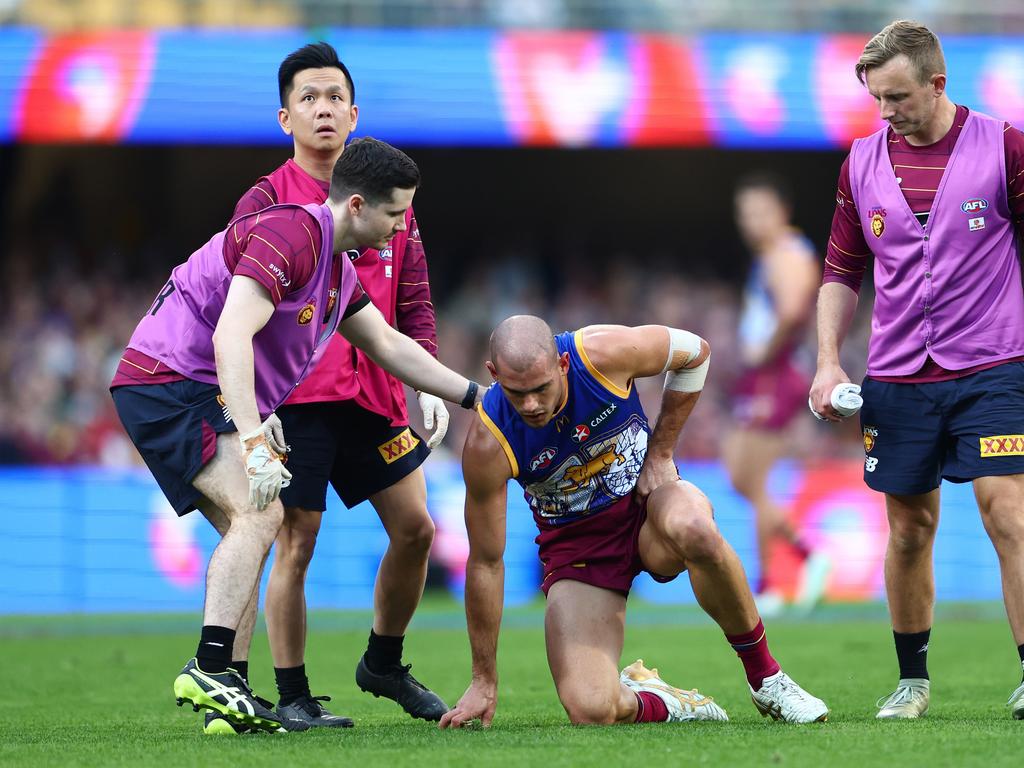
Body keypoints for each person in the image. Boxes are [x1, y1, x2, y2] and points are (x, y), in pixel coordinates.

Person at [110, 137, 483, 733]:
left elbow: (387, 344)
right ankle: (211, 669)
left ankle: (230, 700)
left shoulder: (334, 266)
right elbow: (230, 335)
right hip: (168, 381)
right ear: (358, 205)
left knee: (251, 526)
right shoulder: (292, 236)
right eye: (395, 213)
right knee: (261, 515)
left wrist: (473, 396)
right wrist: (255, 441)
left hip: (181, 385)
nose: (401, 227)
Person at [213, 41, 449, 732]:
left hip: (373, 395)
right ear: (285, 117)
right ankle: (291, 693)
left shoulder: (388, 197)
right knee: (298, 540)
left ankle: (382, 660)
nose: (323, 109)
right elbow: (235, 311)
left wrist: (429, 378)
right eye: (308, 98)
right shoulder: (263, 201)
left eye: (334, 97)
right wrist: (243, 409)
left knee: (417, 530)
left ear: (354, 113)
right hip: (297, 402)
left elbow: (414, 296)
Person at [440, 316, 828, 729]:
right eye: (519, 394)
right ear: (493, 375)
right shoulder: (488, 441)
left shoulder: (601, 353)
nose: (532, 405)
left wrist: (661, 452)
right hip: (580, 550)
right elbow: (485, 562)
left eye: (541, 389)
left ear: (562, 366)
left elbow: (695, 353)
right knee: (590, 709)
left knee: (695, 529)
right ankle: (668, 701)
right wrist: (483, 679)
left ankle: (766, 678)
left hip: (649, 509)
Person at [809, 20, 1024, 720]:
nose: (888, 112)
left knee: (1009, 514)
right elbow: (842, 270)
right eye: (877, 99)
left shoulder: (1007, 147)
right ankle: (912, 682)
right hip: (897, 377)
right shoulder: (860, 162)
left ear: (938, 84)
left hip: (995, 364)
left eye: (898, 96)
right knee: (909, 531)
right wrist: (825, 360)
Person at [724, 172, 829, 617]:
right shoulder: (772, 255)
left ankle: (773, 582)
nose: (751, 222)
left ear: (782, 211)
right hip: (765, 372)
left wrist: (763, 355)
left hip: (776, 371)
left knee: (753, 480)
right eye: (745, 213)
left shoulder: (785, 255)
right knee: (742, 478)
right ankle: (807, 554)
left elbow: (791, 313)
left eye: (760, 212)